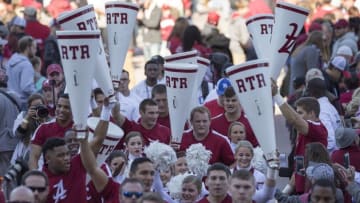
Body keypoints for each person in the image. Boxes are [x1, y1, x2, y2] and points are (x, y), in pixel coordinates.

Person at [272, 80, 328, 194]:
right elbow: (298, 167)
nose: (297, 116)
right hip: (301, 191)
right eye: (297, 112)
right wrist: (285, 193)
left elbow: (294, 120)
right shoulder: (302, 132)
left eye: (300, 113)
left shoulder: (318, 129)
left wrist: (276, 95)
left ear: (312, 113)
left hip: (314, 192)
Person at [29, 93, 73, 170]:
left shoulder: (78, 129)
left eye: (66, 107)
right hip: (48, 177)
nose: (61, 110)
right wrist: (36, 176)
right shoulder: (43, 128)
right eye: (59, 106)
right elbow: (34, 157)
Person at [11, 93, 50, 165]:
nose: (37, 109)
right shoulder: (23, 115)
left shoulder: (48, 117)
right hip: (24, 155)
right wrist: (27, 117)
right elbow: (17, 135)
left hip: (41, 156)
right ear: (29, 108)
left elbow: (49, 136)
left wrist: (42, 121)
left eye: (40, 106)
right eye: (34, 107)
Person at [306, 78, 341, 153]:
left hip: (329, 158)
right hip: (336, 152)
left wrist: (317, 154)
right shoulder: (329, 106)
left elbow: (330, 140)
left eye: (308, 90)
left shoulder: (321, 110)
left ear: (311, 92)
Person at [6, 35, 36, 109]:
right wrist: (37, 94)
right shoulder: (26, 65)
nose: (36, 50)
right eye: (34, 47)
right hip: (22, 103)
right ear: (27, 48)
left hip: (9, 100)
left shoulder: (10, 61)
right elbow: (26, 87)